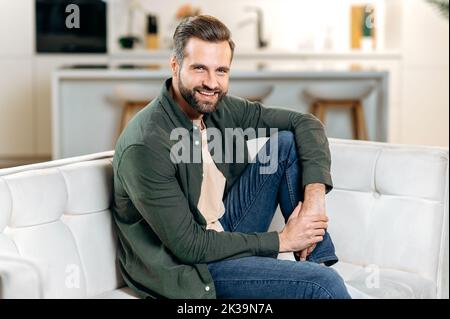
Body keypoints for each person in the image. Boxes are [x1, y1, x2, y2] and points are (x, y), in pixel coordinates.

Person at [111, 15, 351, 299]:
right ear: (175, 66)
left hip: (223, 230)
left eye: (221, 71)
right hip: (193, 267)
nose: (212, 83)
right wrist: (282, 240)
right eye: (200, 68)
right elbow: (189, 246)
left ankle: (318, 260)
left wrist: (314, 201)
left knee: (285, 144)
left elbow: (306, 123)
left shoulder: (218, 108)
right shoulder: (146, 144)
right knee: (324, 285)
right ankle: (323, 281)